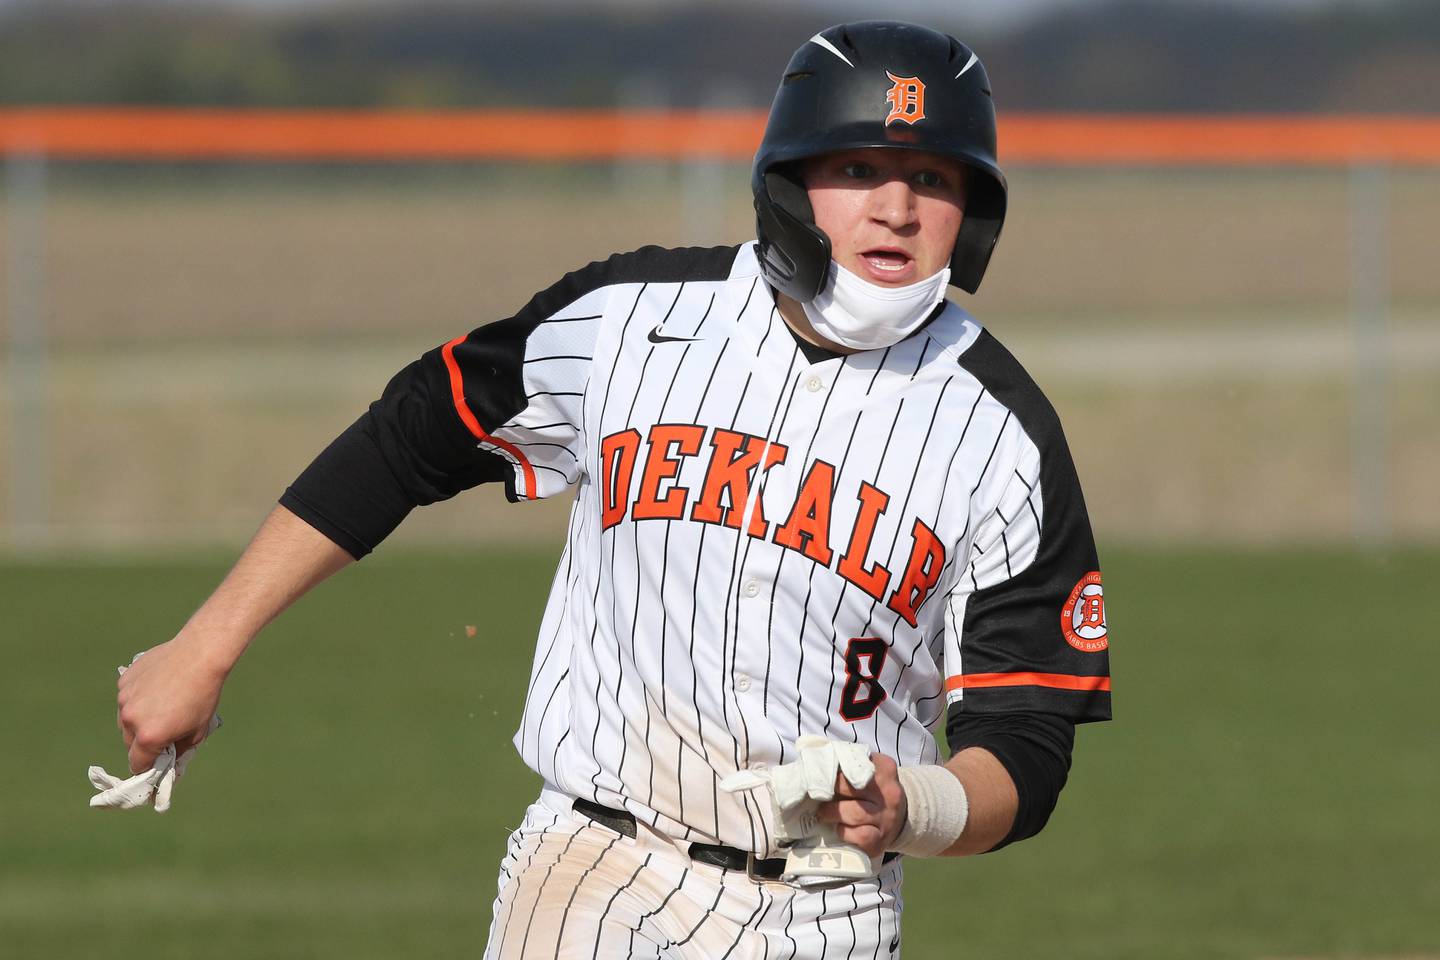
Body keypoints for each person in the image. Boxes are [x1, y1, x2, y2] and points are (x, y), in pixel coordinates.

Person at [110, 20, 1111, 957]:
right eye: (858, 170)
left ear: (972, 211)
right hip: (595, 871)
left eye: (932, 178)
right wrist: (206, 645)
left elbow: (1026, 743)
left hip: (829, 913)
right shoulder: (630, 318)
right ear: (789, 183)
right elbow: (412, 435)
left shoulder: (1005, 437)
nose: (896, 208)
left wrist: (913, 807)